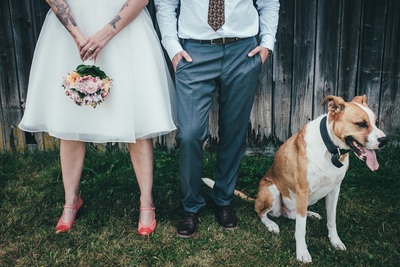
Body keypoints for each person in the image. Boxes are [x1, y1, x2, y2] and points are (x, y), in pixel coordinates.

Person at [19, 0, 176, 236]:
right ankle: (71, 201)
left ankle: (146, 203)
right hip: (70, 33)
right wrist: (78, 36)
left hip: (126, 31)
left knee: (138, 118)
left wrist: (104, 35)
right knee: (69, 119)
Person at [154, 0, 280, 237]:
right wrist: (172, 46)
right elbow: (165, 3)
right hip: (194, 52)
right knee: (190, 134)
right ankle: (191, 206)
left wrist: (267, 44)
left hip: (242, 51)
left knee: (234, 131)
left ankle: (223, 200)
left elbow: (269, 3)